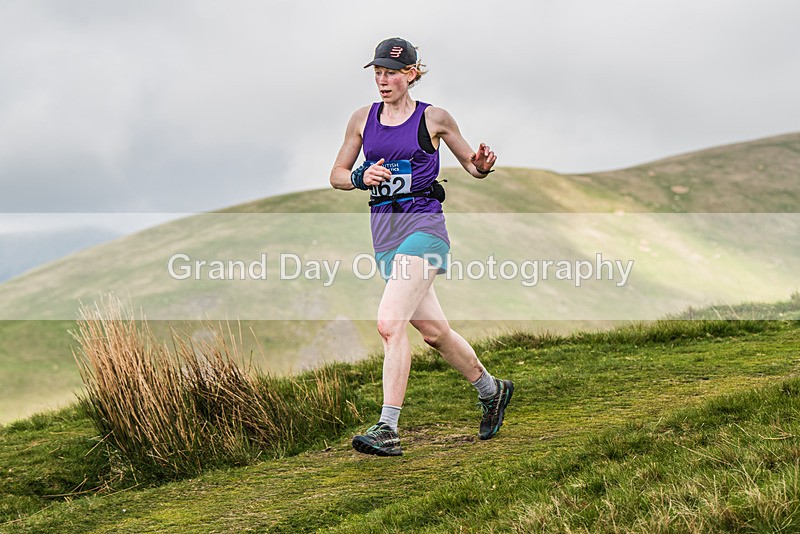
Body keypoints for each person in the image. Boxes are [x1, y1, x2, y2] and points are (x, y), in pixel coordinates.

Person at [330, 37, 513, 457]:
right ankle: (491, 390)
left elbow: (472, 164)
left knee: (389, 323)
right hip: (385, 236)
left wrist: (481, 165)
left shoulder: (434, 118)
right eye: (377, 72)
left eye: (391, 72)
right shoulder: (362, 119)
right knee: (433, 333)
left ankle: (388, 427)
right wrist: (360, 178)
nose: (383, 80)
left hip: (425, 228)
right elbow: (337, 174)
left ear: (411, 73)